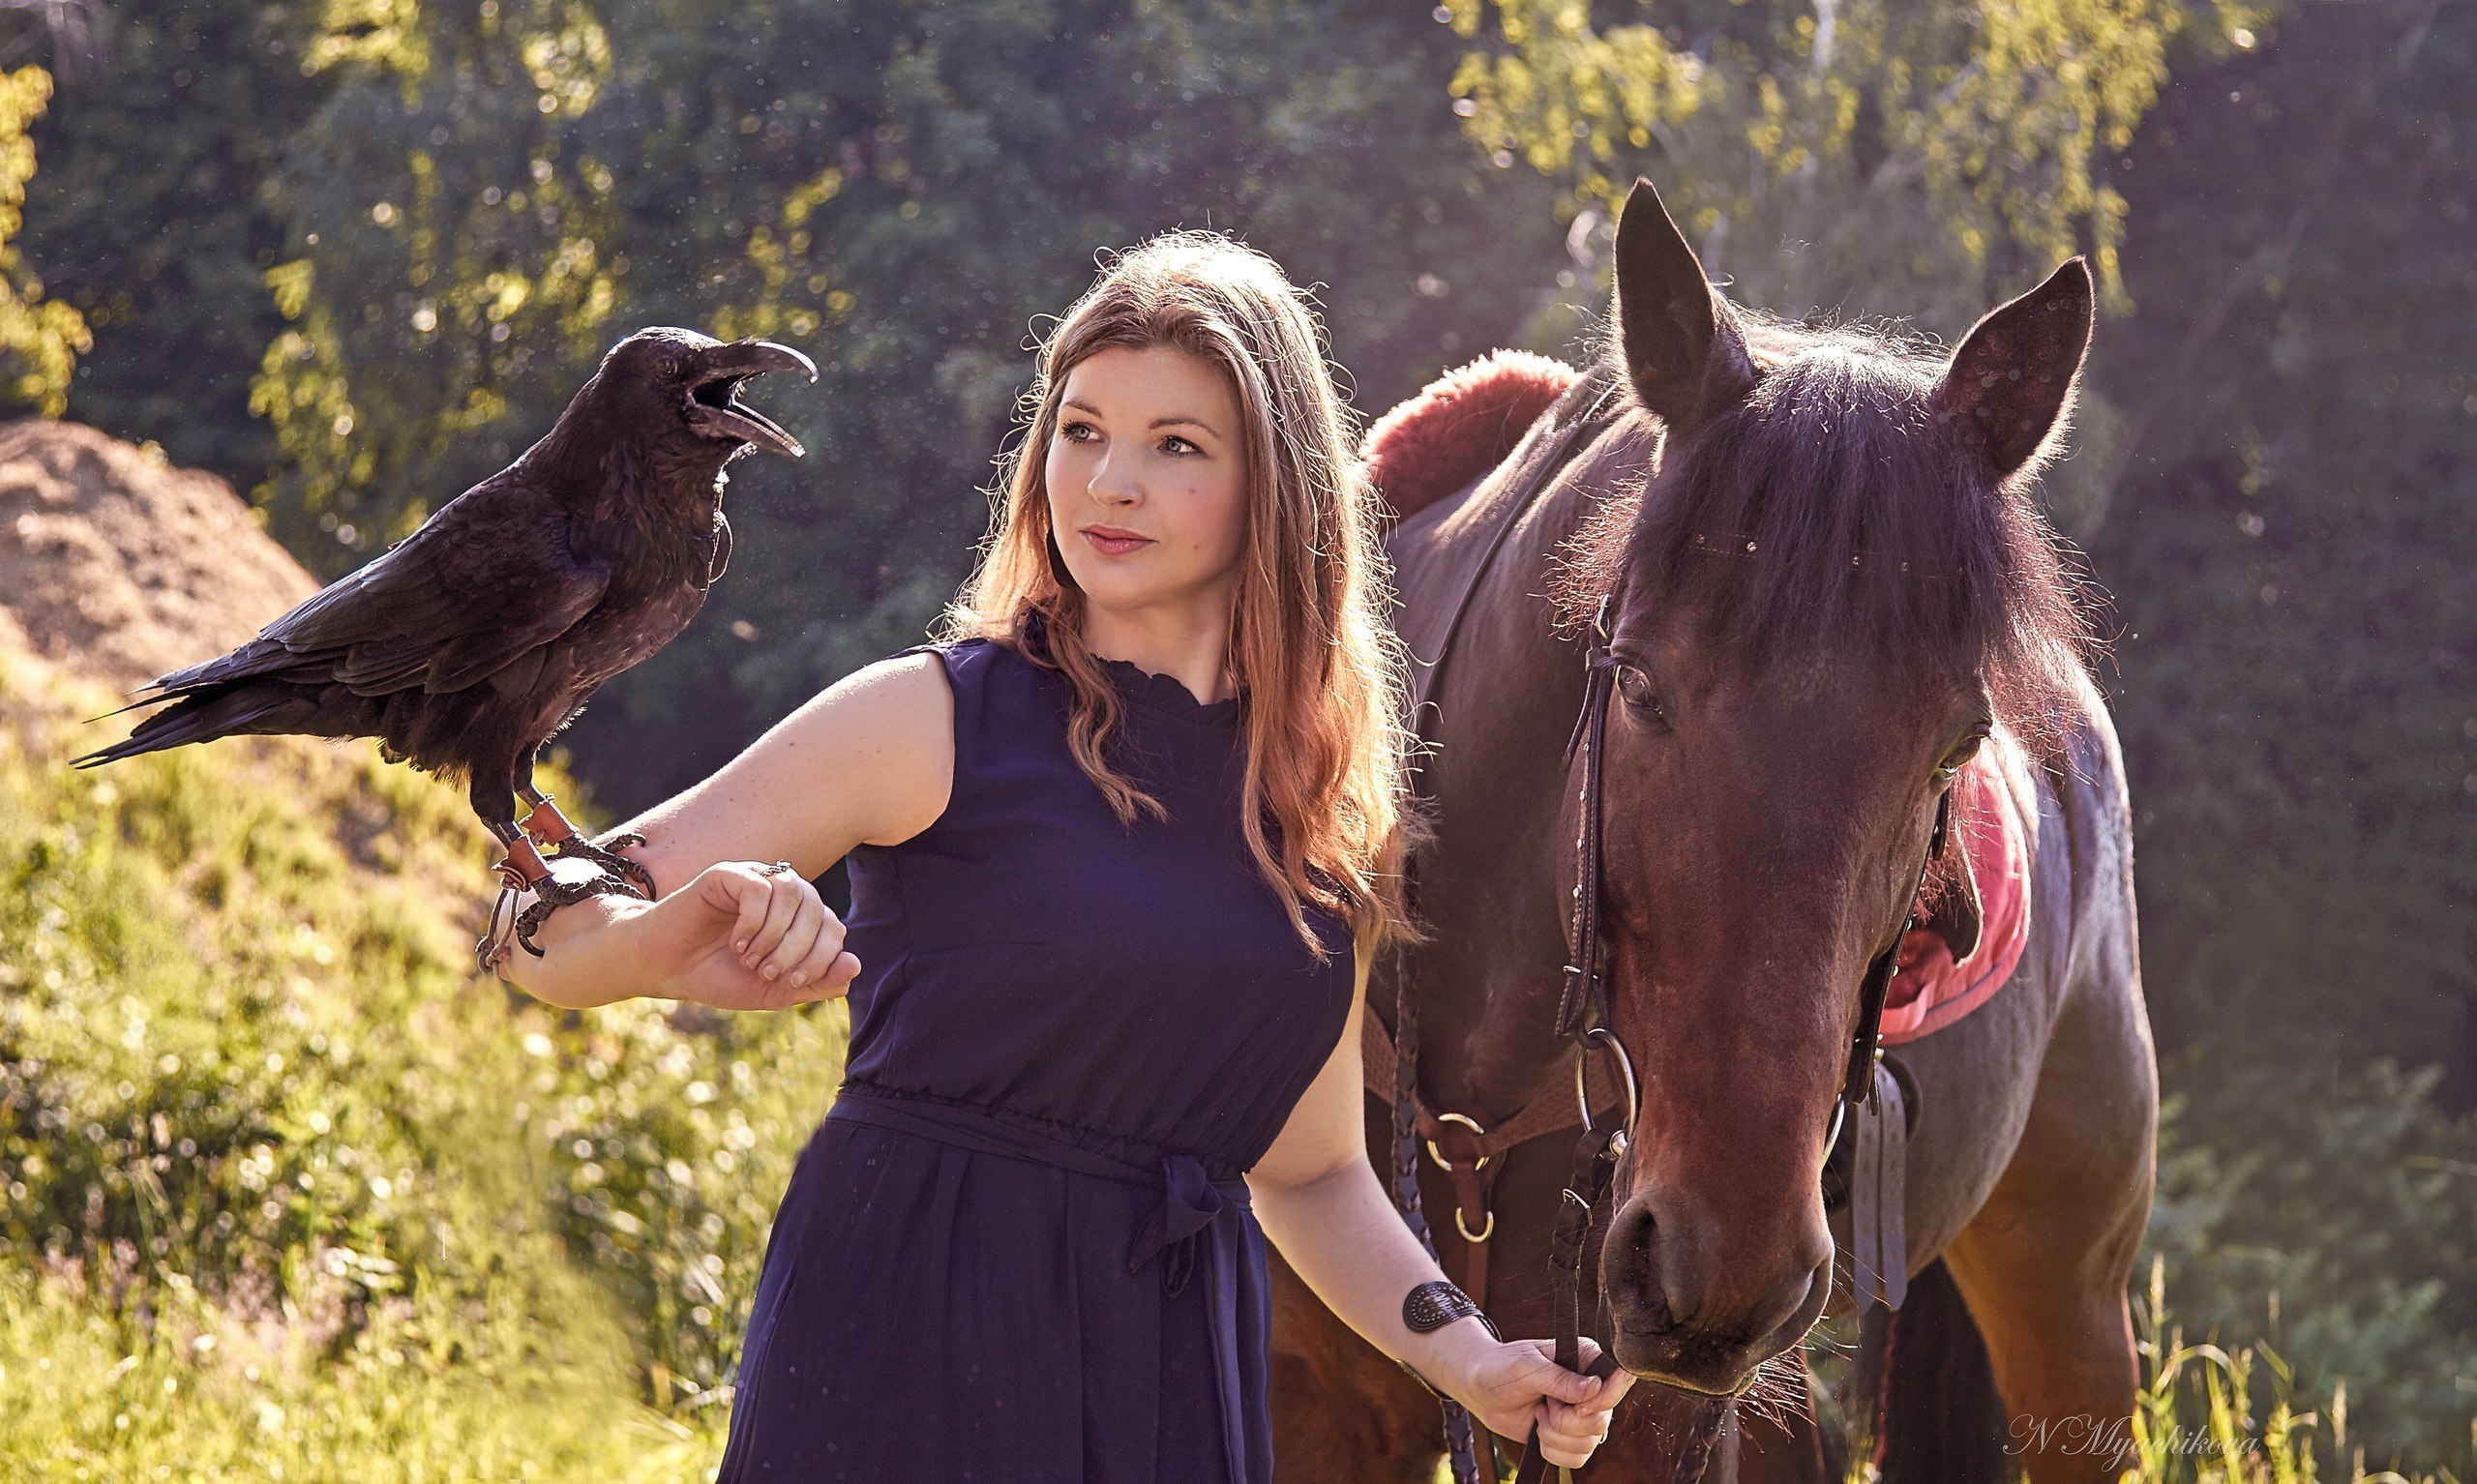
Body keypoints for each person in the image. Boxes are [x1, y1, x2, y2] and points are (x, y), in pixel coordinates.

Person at [498, 232, 1633, 1481]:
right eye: (1081, 430)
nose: (1110, 483)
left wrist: (1478, 1364)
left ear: (1281, 488)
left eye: (1176, 445)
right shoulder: (932, 721)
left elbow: (1307, 1168)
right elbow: (538, 922)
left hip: (1171, 1381)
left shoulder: (1314, 806)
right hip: (899, 1353)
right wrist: (671, 939)